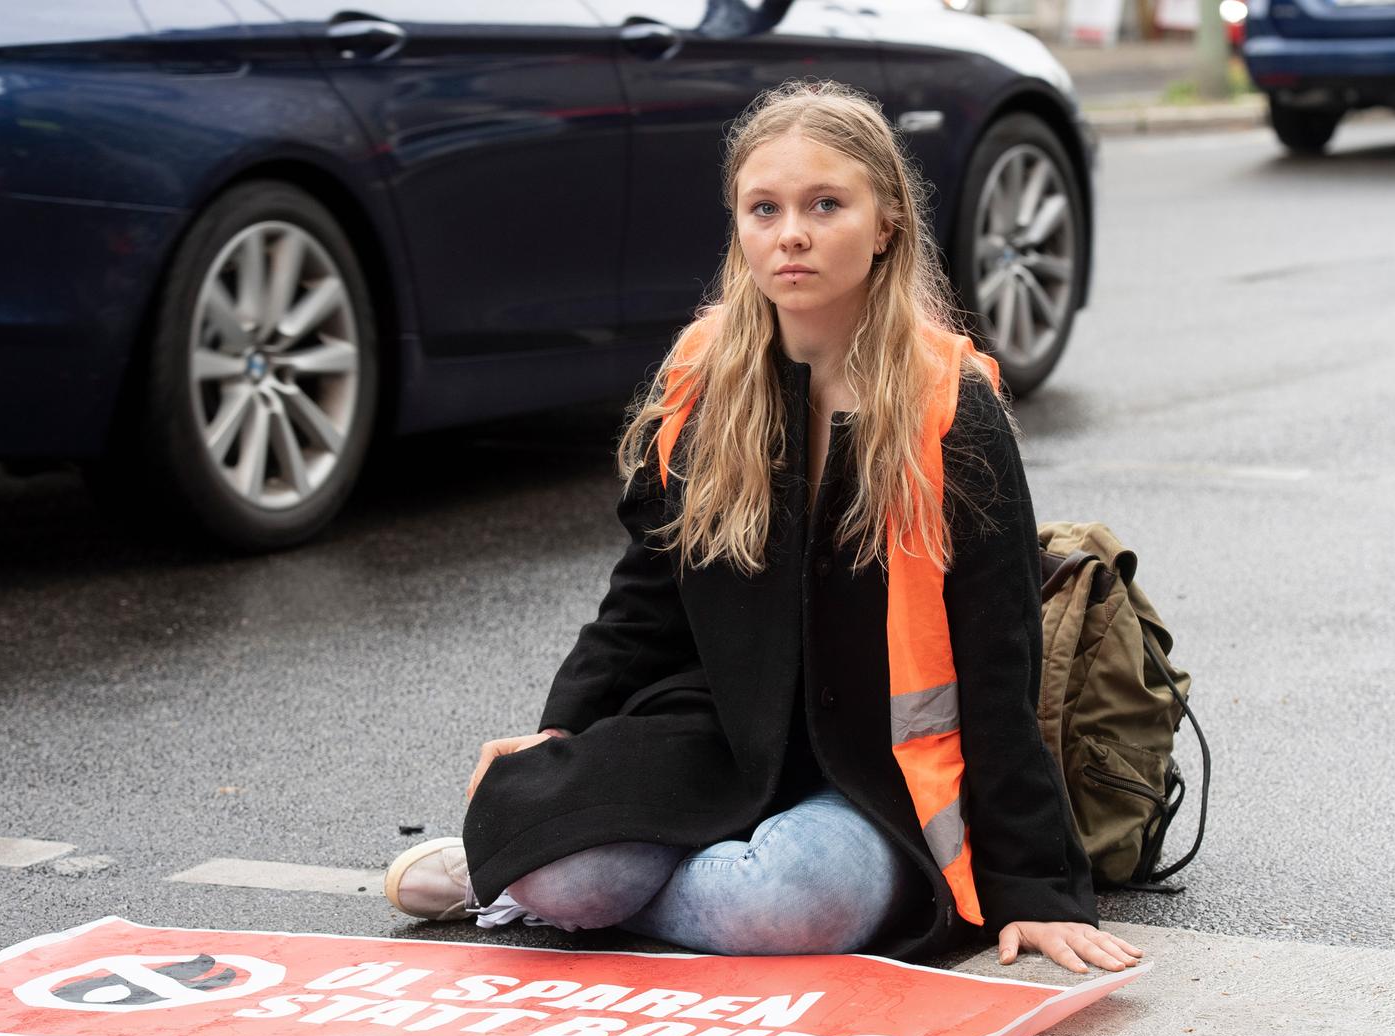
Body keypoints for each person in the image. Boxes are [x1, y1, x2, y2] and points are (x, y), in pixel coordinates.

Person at [385, 80, 1141, 976]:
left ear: (887, 222)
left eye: (827, 205)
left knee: (780, 903)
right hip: (721, 733)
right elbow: (646, 593)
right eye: (765, 208)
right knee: (572, 874)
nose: (793, 234)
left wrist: (1036, 890)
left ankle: (532, 880)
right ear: (739, 226)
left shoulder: (950, 405)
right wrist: (564, 735)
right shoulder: (708, 374)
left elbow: (999, 657)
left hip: (879, 776)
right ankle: (530, 875)